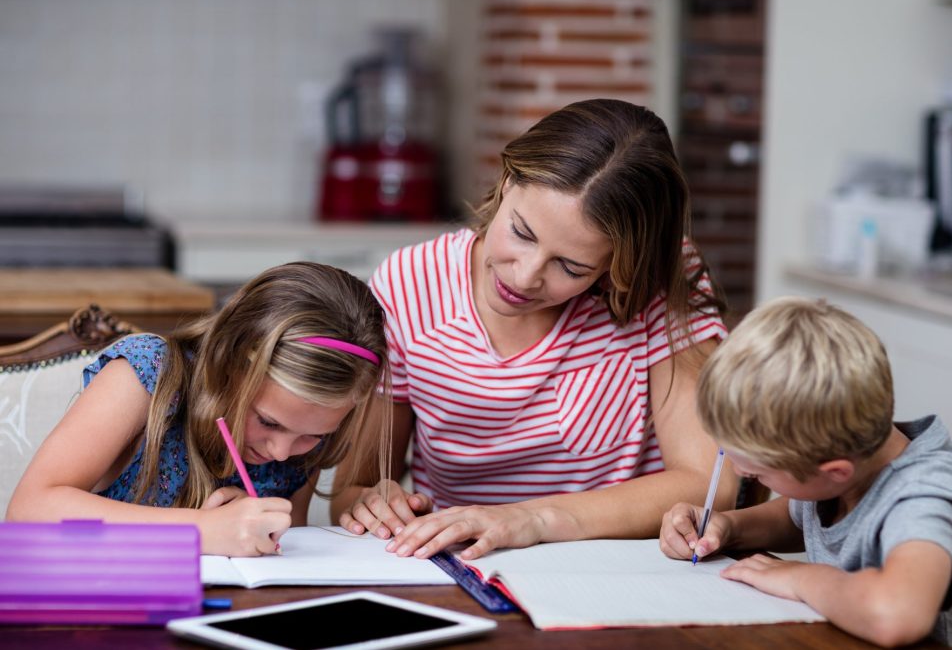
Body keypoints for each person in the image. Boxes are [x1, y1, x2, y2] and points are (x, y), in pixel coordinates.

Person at [332, 98, 739, 560]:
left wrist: (532, 519)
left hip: (617, 568)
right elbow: (353, 490)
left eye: (571, 266)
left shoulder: (663, 283)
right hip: (464, 566)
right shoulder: (409, 285)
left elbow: (709, 483)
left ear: (619, 267)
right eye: (522, 233)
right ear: (507, 183)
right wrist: (371, 503)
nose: (524, 277)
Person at [659, 297, 952, 649]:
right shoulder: (845, 470)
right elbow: (797, 518)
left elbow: (896, 614)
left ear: (835, 472)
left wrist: (800, 577)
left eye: (757, 472)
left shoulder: (927, 494)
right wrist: (728, 528)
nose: (741, 474)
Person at [7, 262, 389, 557]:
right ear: (228, 362)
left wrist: (254, 532)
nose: (281, 451)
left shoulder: (304, 433)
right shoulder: (150, 377)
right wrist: (202, 530)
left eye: (313, 435)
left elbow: (282, 549)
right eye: (268, 421)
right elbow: (28, 511)